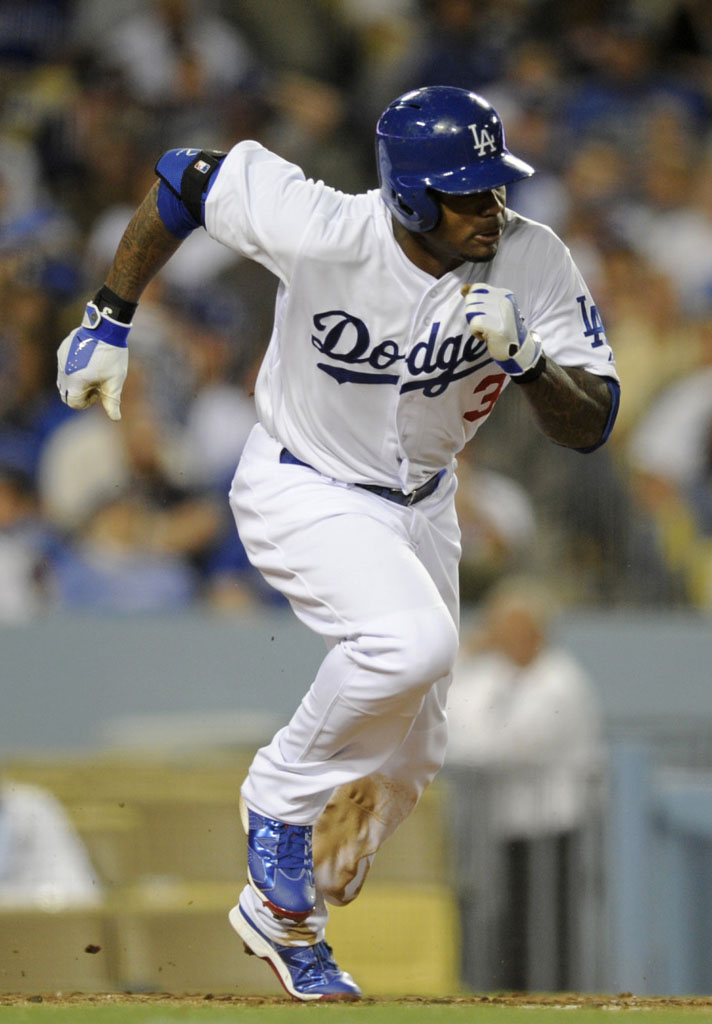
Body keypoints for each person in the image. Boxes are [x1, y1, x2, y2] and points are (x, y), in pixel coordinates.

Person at [54, 85, 619, 1001]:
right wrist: (108, 316)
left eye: (496, 187)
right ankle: (277, 803)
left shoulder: (532, 259)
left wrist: (530, 360)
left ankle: (288, 917)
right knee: (414, 645)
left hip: (423, 505)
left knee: (417, 750)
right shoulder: (325, 227)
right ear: (408, 197)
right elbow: (184, 180)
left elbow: (591, 423)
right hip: (302, 481)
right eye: (468, 193)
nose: (492, 209)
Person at [445, 576, 604, 991]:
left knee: (549, 932)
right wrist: (466, 654)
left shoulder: (561, 681)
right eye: (498, 629)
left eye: (513, 630)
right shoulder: (494, 673)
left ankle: (556, 1006)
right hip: (505, 828)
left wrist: (467, 743)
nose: (503, 640)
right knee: (506, 928)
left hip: (553, 829)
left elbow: (498, 747)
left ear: (538, 632)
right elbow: (448, 718)